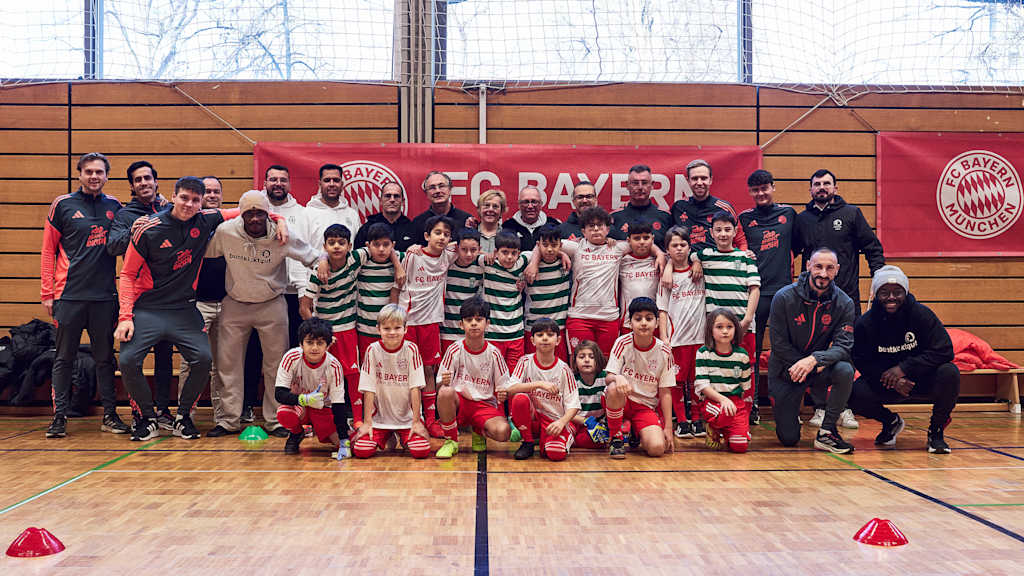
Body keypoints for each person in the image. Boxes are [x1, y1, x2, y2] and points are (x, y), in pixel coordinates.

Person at [115, 177, 285, 441]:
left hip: (184, 309)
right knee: (126, 360)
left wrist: (280, 220)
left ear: (201, 201)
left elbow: (249, 210)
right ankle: (147, 418)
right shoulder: (147, 228)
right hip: (148, 307)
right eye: (184, 198)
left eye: (195, 200)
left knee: (203, 359)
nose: (189, 204)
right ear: (173, 196)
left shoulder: (205, 220)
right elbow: (126, 275)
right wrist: (125, 317)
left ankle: (183, 418)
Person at [204, 190, 318, 438]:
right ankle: (228, 420)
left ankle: (276, 419)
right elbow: (202, 251)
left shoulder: (282, 234)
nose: (255, 218)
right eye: (249, 213)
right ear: (241, 214)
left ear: (268, 214)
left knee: (276, 366)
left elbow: (313, 257)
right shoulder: (226, 232)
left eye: (260, 213)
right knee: (228, 365)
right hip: (234, 304)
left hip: (271, 304)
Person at [41, 152, 127, 437]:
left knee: (105, 359)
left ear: (106, 176)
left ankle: (111, 416)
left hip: (104, 297)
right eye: (88, 171)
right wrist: (47, 293)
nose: (94, 176)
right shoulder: (62, 205)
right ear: (79, 174)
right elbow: (47, 251)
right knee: (64, 358)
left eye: (99, 172)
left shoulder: (115, 206)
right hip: (68, 296)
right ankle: (59, 417)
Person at [849, 266, 959, 454]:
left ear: (905, 292)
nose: (891, 297)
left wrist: (904, 368)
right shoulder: (865, 323)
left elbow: (945, 350)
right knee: (853, 392)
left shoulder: (922, 315)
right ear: (875, 294)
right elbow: (861, 361)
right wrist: (891, 379)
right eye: (884, 293)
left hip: (921, 379)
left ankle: (936, 432)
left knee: (949, 372)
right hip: (886, 382)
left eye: (897, 292)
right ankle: (889, 421)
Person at [106, 160, 175, 431]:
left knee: (165, 356)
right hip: (138, 296)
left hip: (168, 294)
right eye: (138, 180)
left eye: (148, 178)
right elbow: (112, 246)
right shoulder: (126, 214)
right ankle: (139, 412)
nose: (144, 183)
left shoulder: (171, 209)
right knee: (134, 356)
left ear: (156, 181)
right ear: (132, 186)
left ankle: (163, 410)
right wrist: (140, 227)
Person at [767, 248, 856, 454]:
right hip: (786, 370)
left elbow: (844, 346)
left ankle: (827, 433)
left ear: (837, 270)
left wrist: (815, 360)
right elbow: (778, 344)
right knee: (789, 439)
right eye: (818, 267)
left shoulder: (844, 303)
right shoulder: (783, 297)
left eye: (829, 268)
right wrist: (803, 363)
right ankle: (788, 417)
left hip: (817, 368)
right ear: (808, 266)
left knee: (845, 370)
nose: (823, 274)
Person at [738, 169, 800, 426]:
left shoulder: (789, 214)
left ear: (773, 188)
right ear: (750, 192)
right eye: (755, 190)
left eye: (765, 188)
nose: (761, 193)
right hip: (753, 295)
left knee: (785, 353)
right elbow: (736, 245)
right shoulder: (743, 218)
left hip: (783, 294)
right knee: (750, 355)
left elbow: (798, 246)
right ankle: (751, 406)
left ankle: (787, 407)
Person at [397, 215, 459, 436]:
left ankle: (431, 419)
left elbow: (466, 244)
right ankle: (409, 418)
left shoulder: (448, 256)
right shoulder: (412, 256)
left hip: (431, 322)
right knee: (406, 372)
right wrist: (395, 316)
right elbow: (397, 280)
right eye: (437, 233)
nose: (442, 237)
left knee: (429, 370)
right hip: (408, 322)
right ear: (426, 236)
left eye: (446, 234)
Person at [794, 169, 884, 315]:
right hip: (812, 295)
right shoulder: (802, 219)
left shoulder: (851, 214)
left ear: (835, 188)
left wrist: (878, 276)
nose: (822, 187)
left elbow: (872, 248)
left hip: (846, 294)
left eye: (827, 183)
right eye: (817, 184)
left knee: (850, 337)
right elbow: (790, 251)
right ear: (811, 190)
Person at [694, 211, 760, 410]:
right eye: (718, 230)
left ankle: (747, 409)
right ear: (711, 233)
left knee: (745, 366)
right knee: (717, 367)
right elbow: (692, 254)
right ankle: (718, 407)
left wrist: (747, 319)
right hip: (717, 327)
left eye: (727, 229)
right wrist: (696, 261)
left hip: (743, 324)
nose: (723, 234)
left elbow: (754, 289)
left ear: (735, 231)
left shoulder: (745, 258)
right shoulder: (705, 255)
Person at [434, 297, 513, 458]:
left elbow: (504, 386)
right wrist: (443, 381)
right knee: (445, 392)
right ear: (461, 324)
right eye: (469, 320)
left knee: (503, 433)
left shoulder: (494, 353)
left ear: (487, 323)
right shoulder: (454, 349)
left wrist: (504, 393)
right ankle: (451, 441)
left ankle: (479, 431)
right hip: (460, 403)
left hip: (484, 405)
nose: (474, 323)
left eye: (479, 319)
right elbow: (438, 387)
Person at [351, 304, 432, 459]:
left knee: (421, 451)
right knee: (361, 451)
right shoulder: (372, 350)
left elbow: (415, 388)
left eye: (397, 327)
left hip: (407, 420)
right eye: (386, 328)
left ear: (405, 329)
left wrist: (416, 421)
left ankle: (403, 436)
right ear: (378, 329)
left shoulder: (411, 349)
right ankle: (388, 436)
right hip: (379, 420)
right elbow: (368, 389)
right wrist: (367, 422)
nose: (392, 332)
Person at [179, 176, 229, 424]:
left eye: (215, 191)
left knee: (223, 365)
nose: (211, 195)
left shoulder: (230, 225)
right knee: (191, 361)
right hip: (195, 304)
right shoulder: (187, 224)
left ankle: (223, 418)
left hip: (228, 304)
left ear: (221, 196)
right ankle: (185, 414)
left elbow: (256, 210)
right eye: (206, 191)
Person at [301, 224, 364, 419]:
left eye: (341, 243)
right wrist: (320, 334)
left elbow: (381, 248)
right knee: (321, 376)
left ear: (349, 246)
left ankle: (359, 419)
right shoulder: (317, 272)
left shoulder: (357, 259)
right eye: (331, 243)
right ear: (325, 246)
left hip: (348, 330)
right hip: (326, 333)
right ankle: (317, 420)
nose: (336, 246)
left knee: (353, 375)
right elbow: (304, 307)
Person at [604, 297, 675, 459]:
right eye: (638, 318)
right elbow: (608, 377)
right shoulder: (622, 342)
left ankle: (634, 430)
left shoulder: (664, 352)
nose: (643, 323)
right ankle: (616, 437)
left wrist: (669, 428)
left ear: (657, 323)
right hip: (621, 399)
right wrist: (618, 377)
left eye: (649, 319)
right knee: (614, 387)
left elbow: (665, 392)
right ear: (630, 323)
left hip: (644, 406)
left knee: (657, 449)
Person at [656, 226, 706, 439]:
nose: (679, 249)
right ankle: (682, 421)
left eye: (683, 245)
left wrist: (697, 261)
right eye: (674, 245)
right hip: (678, 340)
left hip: (700, 337)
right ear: (667, 250)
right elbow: (662, 310)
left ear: (689, 247)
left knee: (698, 381)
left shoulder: (701, 271)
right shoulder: (666, 278)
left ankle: (697, 419)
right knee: (675, 381)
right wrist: (665, 337)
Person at [507, 318, 581, 461]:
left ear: (558, 340)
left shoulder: (564, 369)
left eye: (550, 335)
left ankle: (560, 437)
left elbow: (574, 405)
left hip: (555, 422)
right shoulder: (525, 362)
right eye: (540, 335)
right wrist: (539, 384)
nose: (545, 338)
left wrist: (561, 422)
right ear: (532, 341)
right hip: (534, 419)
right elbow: (510, 389)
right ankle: (528, 442)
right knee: (520, 398)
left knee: (555, 454)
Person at [273, 317, 347, 456]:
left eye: (320, 343)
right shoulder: (291, 358)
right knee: (284, 412)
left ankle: (338, 437)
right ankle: (296, 434)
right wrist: (305, 399)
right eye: (309, 342)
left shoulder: (334, 366)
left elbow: (339, 405)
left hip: (323, 409)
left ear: (328, 345)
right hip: (301, 407)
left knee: (354, 448)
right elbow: (279, 393)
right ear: (301, 344)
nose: (314, 347)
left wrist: (343, 440)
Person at [263, 164, 314, 348]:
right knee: (258, 350)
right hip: (262, 294)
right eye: (273, 179)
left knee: (294, 345)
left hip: (293, 294)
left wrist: (304, 293)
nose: (278, 183)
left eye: (283, 180)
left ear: (289, 185)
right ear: (265, 183)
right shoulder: (255, 211)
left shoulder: (302, 213)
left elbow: (304, 253)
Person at [696, 309, 752, 453]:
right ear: (710, 330)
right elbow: (703, 385)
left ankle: (727, 433)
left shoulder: (742, 355)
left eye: (729, 327)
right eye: (719, 327)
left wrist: (743, 416)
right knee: (726, 411)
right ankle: (713, 427)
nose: (725, 331)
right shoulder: (704, 353)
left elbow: (745, 387)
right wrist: (723, 400)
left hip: (735, 403)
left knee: (740, 447)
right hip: (712, 401)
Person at [670, 159, 747, 253]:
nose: (699, 183)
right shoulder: (678, 207)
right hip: (689, 265)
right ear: (688, 181)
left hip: (718, 264)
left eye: (703, 178)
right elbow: (670, 239)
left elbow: (740, 240)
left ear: (710, 180)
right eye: (694, 178)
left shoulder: (724, 208)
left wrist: (744, 258)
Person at [354, 223, 406, 361]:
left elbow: (425, 254)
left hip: (391, 330)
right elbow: (336, 257)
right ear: (367, 245)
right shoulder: (362, 261)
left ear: (393, 245)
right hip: (366, 329)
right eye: (376, 244)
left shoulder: (402, 259)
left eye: (386, 244)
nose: (381, 249)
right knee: (368, 368)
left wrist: (397, 263)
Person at [481, 230, 530, 371]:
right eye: (505, 252)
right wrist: (485, 254)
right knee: (493, 378)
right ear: (496, 252)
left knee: (514, 378)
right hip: (492, 334)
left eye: (513, 253)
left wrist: (562, 254)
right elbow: (466, 253)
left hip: (516, 334)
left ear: (519, 253)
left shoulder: (523, 262)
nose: (509, 257)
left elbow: (538, 249)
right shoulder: (487, 264)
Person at [525, 223, 571, 362]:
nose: (549, 249)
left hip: (558, 328)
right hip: (533, 328)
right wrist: (534, 263)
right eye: (545, 245)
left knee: (559, 370)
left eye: (554, 245)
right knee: (532, 370)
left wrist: (562, 254)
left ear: (561, 245)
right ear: (538, 245)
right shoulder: (527, 260)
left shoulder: (566, 262)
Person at [441, 228, 484, 352]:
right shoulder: (446, 264)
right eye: (464, 249)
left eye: (473, 250)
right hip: (446, 330)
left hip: (469, 331)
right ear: (456, 248)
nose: (469, 254)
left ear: (479, 249)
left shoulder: (481, 267)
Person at [611, 164, 672, 246]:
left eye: (644, 183)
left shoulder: (666, 216)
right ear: (627, 185)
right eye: (635, 183)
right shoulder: (614, 217)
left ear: (652, 185)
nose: (640, 187)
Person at [307, 163, 362, 253]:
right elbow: (300, 252)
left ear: (342, 184)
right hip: (316, 267)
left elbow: (358, 251)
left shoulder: (352, 215)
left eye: (336, 180)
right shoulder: (306, 214)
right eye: (327, 180)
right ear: (320, 184)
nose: (332, 184)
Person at [618, 222, 660, 335]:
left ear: (653, 239)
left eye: (646, 238)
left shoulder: (661, 260)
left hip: (654, 323)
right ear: (628, 240)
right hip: (628, 323)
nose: (642, 242)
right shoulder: (621, 261)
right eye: (637, 238)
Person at [569, 340, 611, 450]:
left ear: (599, 360)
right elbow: (565, 411)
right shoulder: (571, 380)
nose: (587, 360)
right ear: (575, 361)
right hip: (575, 421)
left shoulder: (605, 378)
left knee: (597, 441)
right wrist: (585, 421)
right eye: (582, 357)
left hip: (598, 423)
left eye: (592, 357)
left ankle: (573, 440)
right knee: (561, 431)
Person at [410, 171, 472, 246]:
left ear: (450, 189)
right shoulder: (418, 222)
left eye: (441, 186)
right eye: (432, 188)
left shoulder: (466, 220)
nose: (438, 191)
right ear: (426, 193)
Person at [353, 181, 417, 251]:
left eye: (396, 196)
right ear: (380, 200)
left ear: (403, 201)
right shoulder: (367, 229)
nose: (392, 200)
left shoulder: (413, 229)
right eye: (388, 196)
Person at [503, 185, 560, 252]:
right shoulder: (507, 226)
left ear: (541, 204)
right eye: (526, 202)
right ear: (519, 205)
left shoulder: (553, 224)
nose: (530, 206)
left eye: (534, 202)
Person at [472, 188, 507, 253]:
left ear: (502, 211)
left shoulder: (508, 237)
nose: (490, 209)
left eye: (495, 206)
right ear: (479, 209)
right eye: (487, 205)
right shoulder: (469, 235)